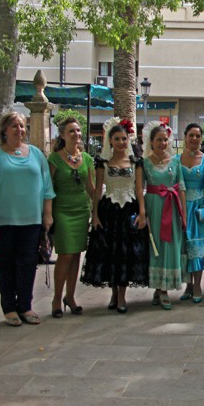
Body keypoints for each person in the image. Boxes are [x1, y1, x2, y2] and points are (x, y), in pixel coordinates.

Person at [0, 111, 55, 327]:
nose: (20, 130)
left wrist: (47, 214)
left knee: (27, 264)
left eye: (23, 126)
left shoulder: (35, 154)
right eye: (14, 126)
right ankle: (9, 308)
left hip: (31, 220)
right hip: (1, 220)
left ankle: (25, 305)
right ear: (4, 130)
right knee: (5, 265)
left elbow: (47, 188)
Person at [83, 118, 148, 314]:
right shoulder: (102, 163)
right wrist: (94, 215)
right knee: (111, 252)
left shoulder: (136, 162)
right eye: (117, 139)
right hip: (109, 210)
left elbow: (139, 188)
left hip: (129, 209)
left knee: (126, 253)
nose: (121, 142)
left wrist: (143, 213)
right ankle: (113, 293)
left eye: (124, 138)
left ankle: (122, 296)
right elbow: (97, 191)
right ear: (110, 141)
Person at [47, 117, 94, 318]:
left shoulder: (87, 159)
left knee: (76, 254)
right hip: (62, 210)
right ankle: (57, 298)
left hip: (81, 210)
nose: (76, 134)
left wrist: (98, 210)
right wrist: (48, 214)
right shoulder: (55, 159)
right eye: (71, 131)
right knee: (65, 254)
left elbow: (91, 188)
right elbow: (48, 188)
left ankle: (71, 297)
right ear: (63, 135)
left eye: (78, 130)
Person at [143, 122, 185, 310]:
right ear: (151, 142)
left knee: (170, 245)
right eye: (158, 140)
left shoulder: (175, 162)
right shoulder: (144, 163)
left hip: (172, 206)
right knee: (156, 245)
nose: (162, 143)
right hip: (154, 207)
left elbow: (181, 187)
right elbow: (139, 189)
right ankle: (160, 288)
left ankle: (164, 287)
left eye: (164, 139)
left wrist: (182, 213)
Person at [177, 123, 204, 303]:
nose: (194, 139)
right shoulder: (176, 160)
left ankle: (198, 284)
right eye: (191, 135)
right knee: (185, 247)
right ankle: (188, 285)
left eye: (197, 136)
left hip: (200, 208)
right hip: (181, 207)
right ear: (185, 137)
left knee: (198, 248)